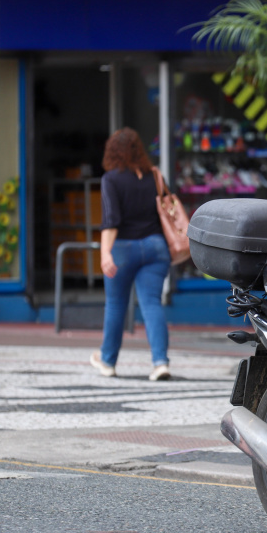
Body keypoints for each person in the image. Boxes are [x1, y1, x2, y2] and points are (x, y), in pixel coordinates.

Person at [89, 127, 172, 382]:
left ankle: (108, 361)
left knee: (116, 305)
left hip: (123, 248)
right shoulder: (154, 176)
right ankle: (160, 363)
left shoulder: (111, 179)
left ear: (112, 151)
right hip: (156, 247)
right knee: (151, 303)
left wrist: (104, 253)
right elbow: (168, 209)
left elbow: (111, 221)